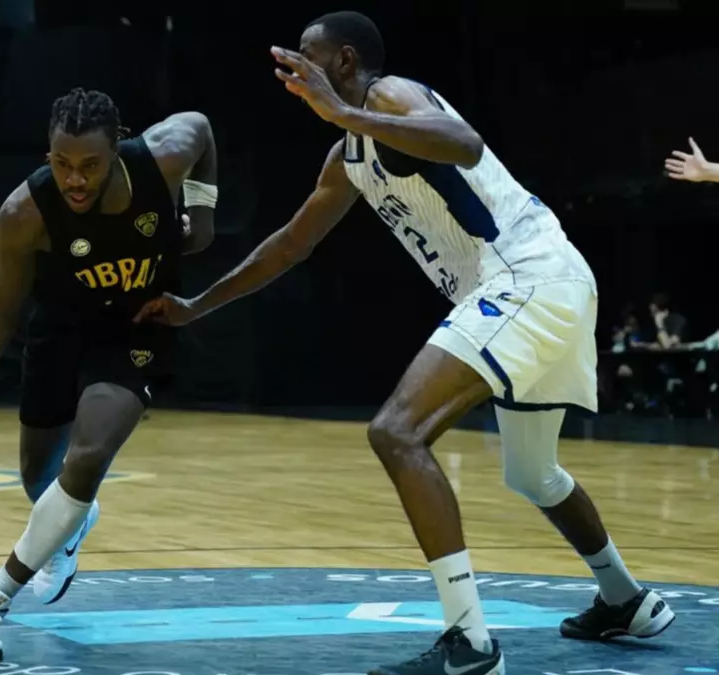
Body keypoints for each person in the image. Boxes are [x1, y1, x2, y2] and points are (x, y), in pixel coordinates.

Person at [135, 12, 673, 675]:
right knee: (532, 473)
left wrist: (345, 112)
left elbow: (466, 143)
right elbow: (291, 245)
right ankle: (626, 599)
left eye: (307, 56)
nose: (295, 71)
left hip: (528, 276)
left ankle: (470, 643)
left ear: (345, 61)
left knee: (396, 431)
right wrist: (197, 306)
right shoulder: (348, 157)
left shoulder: (388, 96)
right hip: (545, 284)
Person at [0, 87, 217, 661]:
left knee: (88, 454)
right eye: (61, 164)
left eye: (89, 165)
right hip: (60, 329)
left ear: (118, 150)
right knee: (39, 476)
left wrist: (201, 215)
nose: (74, 179)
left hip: (135, 329)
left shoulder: (165, 156)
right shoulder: (24, 213)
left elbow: (201, 126)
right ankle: (71, 524)